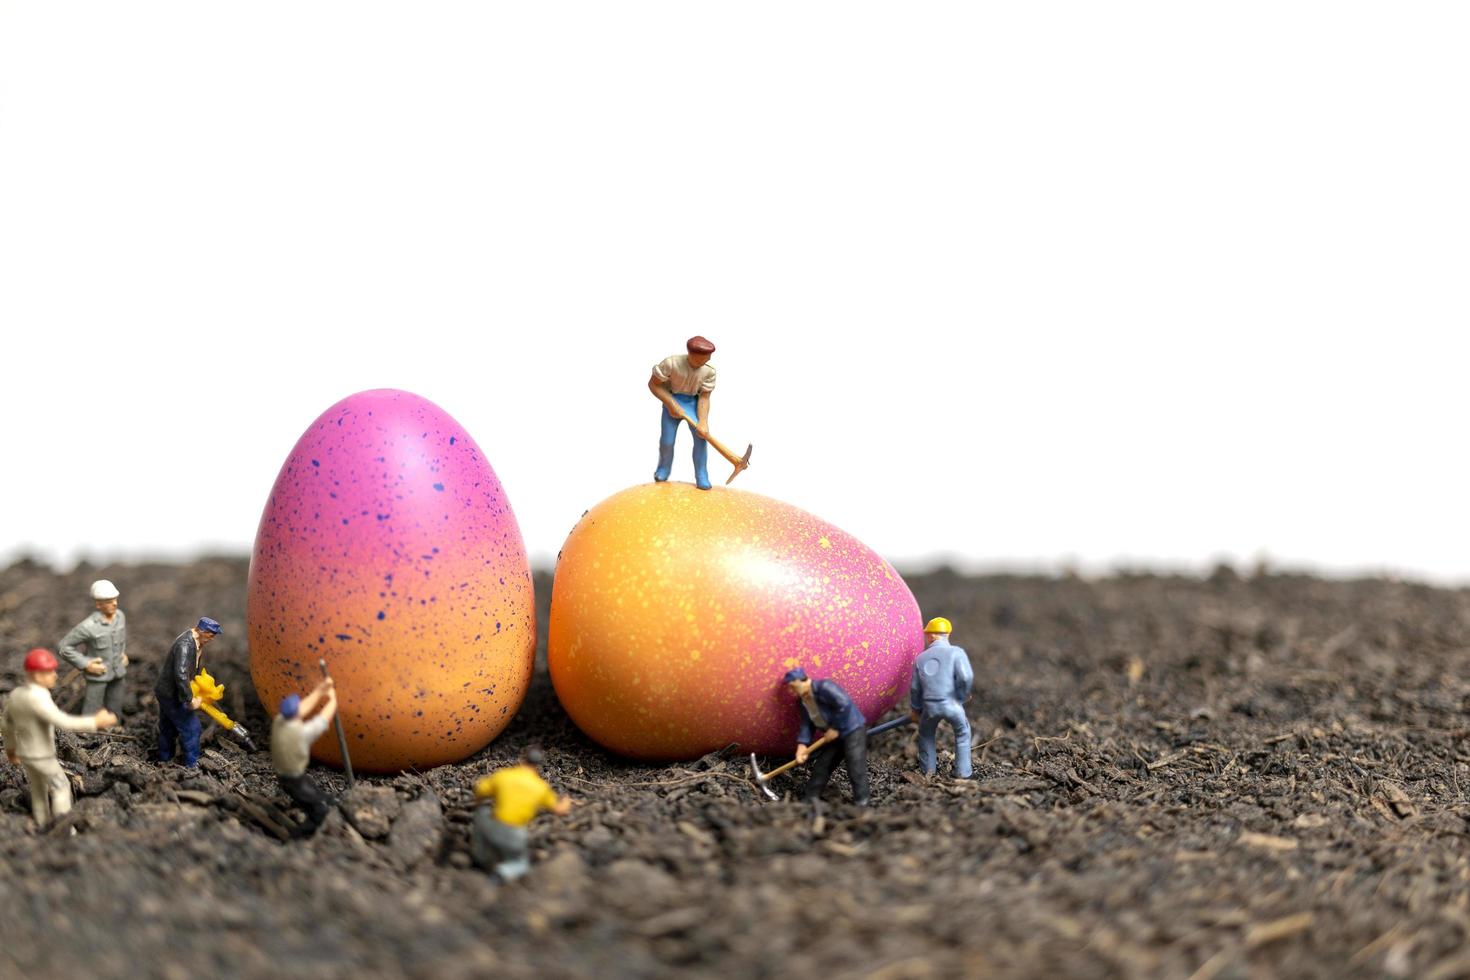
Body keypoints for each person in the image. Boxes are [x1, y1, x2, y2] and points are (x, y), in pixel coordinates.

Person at [2, 648, 117, 824]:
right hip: (42, 755)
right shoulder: (39, 698)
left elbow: (6, 725)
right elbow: (62, 721)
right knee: (61, 787)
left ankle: (42, 823)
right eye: (49, 672)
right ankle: (63, 828)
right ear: (36, 675)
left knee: (38, 789)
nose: (55, 676)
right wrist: (95, 722)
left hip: (25, 755)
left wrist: (11, 750)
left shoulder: (16, 695)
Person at [472, 747, 572, 882]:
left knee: (482, 812)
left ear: (522, 761)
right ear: (537, 766)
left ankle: (480, 855)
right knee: (520, 863)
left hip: (493, 826)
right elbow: (560, 810)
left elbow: (480, 790)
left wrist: (479, 802)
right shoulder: (540, 787)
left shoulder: (505, 775)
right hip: (514, 834)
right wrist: (567, 801)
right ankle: (501, 874)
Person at [783, 667, 870, 806]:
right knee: (823, 765)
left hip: (852, 730)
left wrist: (836, 727)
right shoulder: (803, 702)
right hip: (834, 737)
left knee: (855, 766)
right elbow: (807, 724)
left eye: (793, 687)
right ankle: (810, 798)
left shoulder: (825, 687)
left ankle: (862, 801)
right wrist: (802, 745)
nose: (792, 691)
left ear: (802, 681)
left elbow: (845, 705)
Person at [907, 617, 975, 779]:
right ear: (947, 634)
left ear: (930, 636)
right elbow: (966, 677)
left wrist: (916, 709)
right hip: (952, 704)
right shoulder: (956, 652)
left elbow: (915, 688)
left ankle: (928, 773)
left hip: (929, 707)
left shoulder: (921, 658)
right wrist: (962, 695)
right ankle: (963, 773)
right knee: (962, 733)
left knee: (926, 735)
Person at [270, 679, 338, 835]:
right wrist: (333, 702)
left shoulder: (280, 721)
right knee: (315, 806)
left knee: (311, 788)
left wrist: (320, 691)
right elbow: (322, 720)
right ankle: (305, 832)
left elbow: (302, 708)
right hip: (292, 778)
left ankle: (326, 799)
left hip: (288, 774)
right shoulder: (300, 733)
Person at [649, 336, 717, 490]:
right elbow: (654, 385)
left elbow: (705, 397)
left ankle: (701, 474)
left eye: (707, 358)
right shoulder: (671, 363)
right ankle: (663, 469)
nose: (704, 362)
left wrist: (703, 422)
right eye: (700, 359)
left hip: (693, 404)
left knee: (701, 438)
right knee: (667, 441)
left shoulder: (708, 372)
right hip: (672, 400)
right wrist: (671, 403)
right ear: (691, 353)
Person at [154, 617, 221, 768]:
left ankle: (164, 759)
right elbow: (181, 674)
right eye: (211, 635)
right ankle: (192, 766)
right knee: (192, 728)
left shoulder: (196, 643)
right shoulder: (185, 645)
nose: (212, 639)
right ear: (201, 631)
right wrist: (189, 699)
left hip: (167, 692)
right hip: (173, 694)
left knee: (168, 727)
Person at [58, 579, 129, 718]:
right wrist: (86, 664)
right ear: (98, 604)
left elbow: (120, 639)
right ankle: (87, 733)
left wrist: (122, 654)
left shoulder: (120, 617)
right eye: (109, 601)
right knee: (92, 707)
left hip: (118, 670)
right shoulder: (88, 626)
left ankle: (115, 726)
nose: (114, 603)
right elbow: (64, 647)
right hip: (99, 674)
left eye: (115, 599)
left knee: (115, 704)